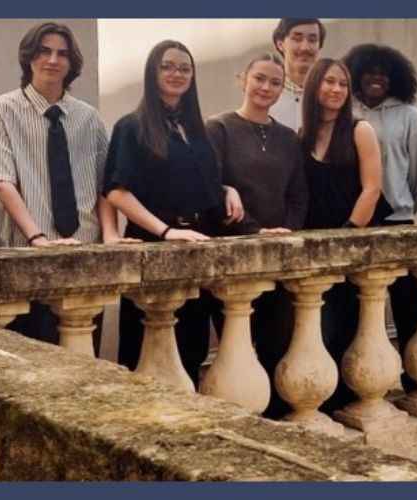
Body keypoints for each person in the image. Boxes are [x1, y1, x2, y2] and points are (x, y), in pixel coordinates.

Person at [104, 40, 252, 384]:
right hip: (154, 246)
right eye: (168, 66)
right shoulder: (131, 126)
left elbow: (197, 181)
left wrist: (227, 190)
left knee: (191, 349)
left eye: (185, 68)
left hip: (197, 245)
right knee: (146, 355)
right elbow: (116, 191)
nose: (177, 74)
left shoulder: (197, 129)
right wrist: (166, 232)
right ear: (152, 72)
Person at [0, 22, 115, 345]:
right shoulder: (2, 109)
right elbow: (2, 181)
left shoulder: (88, 117)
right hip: (30, 255)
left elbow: (105, 184)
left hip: (86, 251)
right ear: (29, 57)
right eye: (44, 51)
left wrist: (109, 235)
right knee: (38, 353)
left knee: (85, 355)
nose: (53, 60)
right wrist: (36, 237)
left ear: (71, 63)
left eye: (62, 54)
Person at [207, 53, 306, 386]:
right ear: (243, 80)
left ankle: (277, 415)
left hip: (279, 255)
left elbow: (298, 196)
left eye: (275, 82)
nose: (266, 87)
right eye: (259, 78)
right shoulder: (218, 128)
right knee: (235, 351)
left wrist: (285, 231)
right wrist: (255, 229)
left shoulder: (289, 138)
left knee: (278, 346)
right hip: (232, 256)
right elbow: (210, 189)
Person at [294, 56, 385, 412]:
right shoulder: (302, 136)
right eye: (329, 81)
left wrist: (345, 236)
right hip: (312, 248)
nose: (336, 89)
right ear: (314, 85)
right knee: (314, 327)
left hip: (350, 244)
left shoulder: (360, 130)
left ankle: (342, 404)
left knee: (344, 327)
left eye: (343, 84)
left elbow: (372, 190)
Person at [346, 43, 417, 338]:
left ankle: (413, 364)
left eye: (383, 73)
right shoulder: (344, 113)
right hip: (354, 220)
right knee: (355, 302)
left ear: (395, 78)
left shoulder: (412, 117)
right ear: (356, 75)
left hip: (398, 219)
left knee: (406, 301)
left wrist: (402, 204)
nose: (376, 78)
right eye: (369, 72)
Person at [270, 18, 324, 128]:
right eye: (297, 39)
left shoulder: (330, 95)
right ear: (280, 44)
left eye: (312, 40)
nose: (305, 47)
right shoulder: (267, 94)